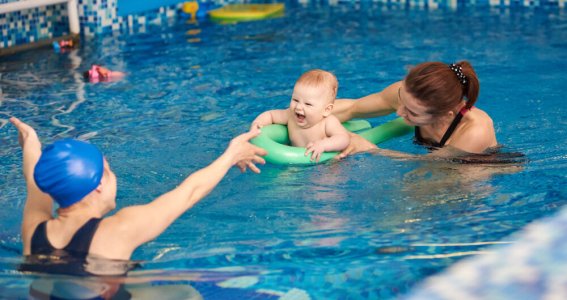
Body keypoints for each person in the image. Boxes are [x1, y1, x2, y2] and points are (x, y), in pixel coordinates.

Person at [9, 117, 266, 265]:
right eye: (108, 171)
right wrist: (231, 155)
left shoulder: (34, 231)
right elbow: (190, 192)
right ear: (98, 185)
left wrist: (31, 143)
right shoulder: (119, 230)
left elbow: (35, 183)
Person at [332, 61, 498, 158]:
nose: (399, 112)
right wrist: (310, 114)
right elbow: (352, 108)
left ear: (445, 114)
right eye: (402, 101)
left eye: (412, 112)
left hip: (476, 170)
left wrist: (372, 149)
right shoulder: (409, 95)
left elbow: (436, 169)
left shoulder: (475, 130)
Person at [250, 69, 350, 162]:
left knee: (329, 177)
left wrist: (323, 145)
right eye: (295, 100)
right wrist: (258, 123)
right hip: (296, 159)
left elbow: (343, 138)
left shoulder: (327, 122)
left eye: (308, 104)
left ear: (326, 110)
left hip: (323, 161)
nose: (298, 107)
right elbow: (271, 115)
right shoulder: (290, 115)